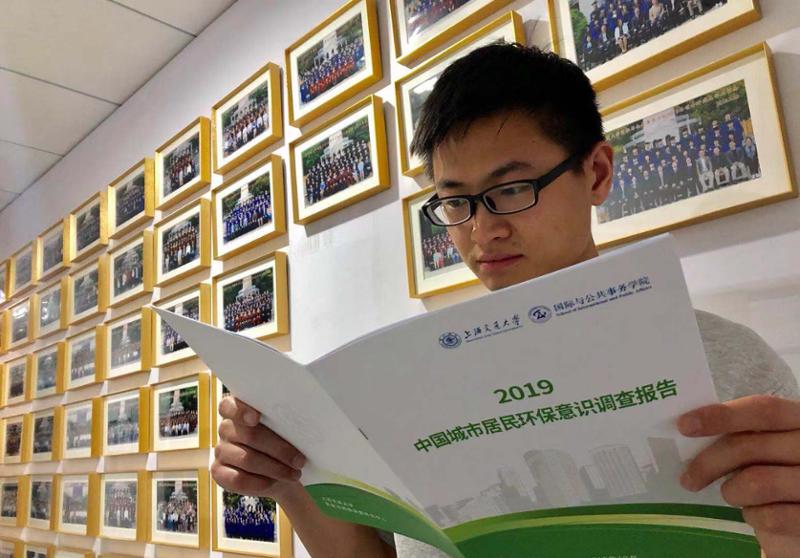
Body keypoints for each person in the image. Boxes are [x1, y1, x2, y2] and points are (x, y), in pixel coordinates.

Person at [212, 44, 800, 558]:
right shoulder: (401, 382)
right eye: (455, 201)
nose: (482, 230)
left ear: (596, 173)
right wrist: (288, 481)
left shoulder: (730, 365)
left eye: (512, 189)